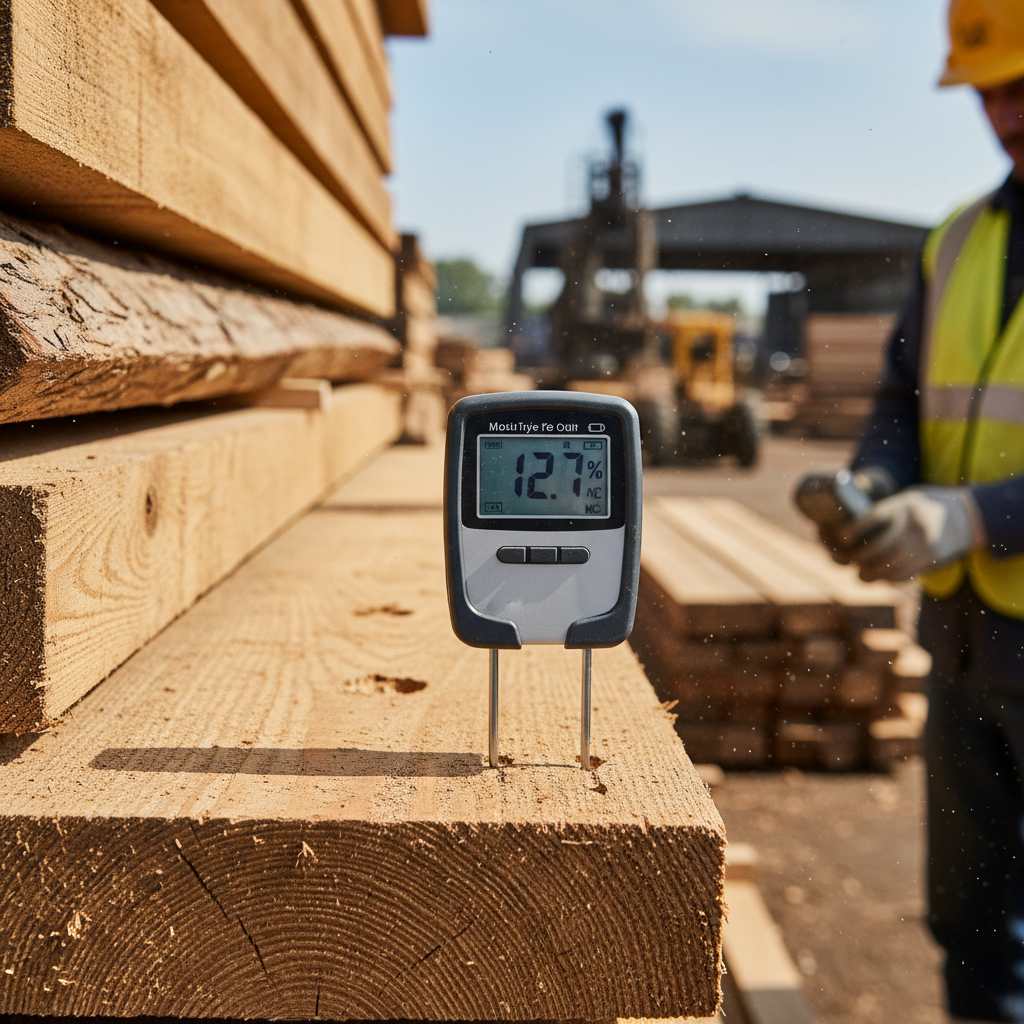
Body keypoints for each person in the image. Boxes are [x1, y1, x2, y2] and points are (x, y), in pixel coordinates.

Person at [795, 3, 1024, 1021]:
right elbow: (901, 401)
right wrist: (877, 490)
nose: (1004, 113)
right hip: (966, 637)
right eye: (987, 91)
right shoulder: (958, 241)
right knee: (972, 924)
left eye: (1020, 85)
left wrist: (969, 517)